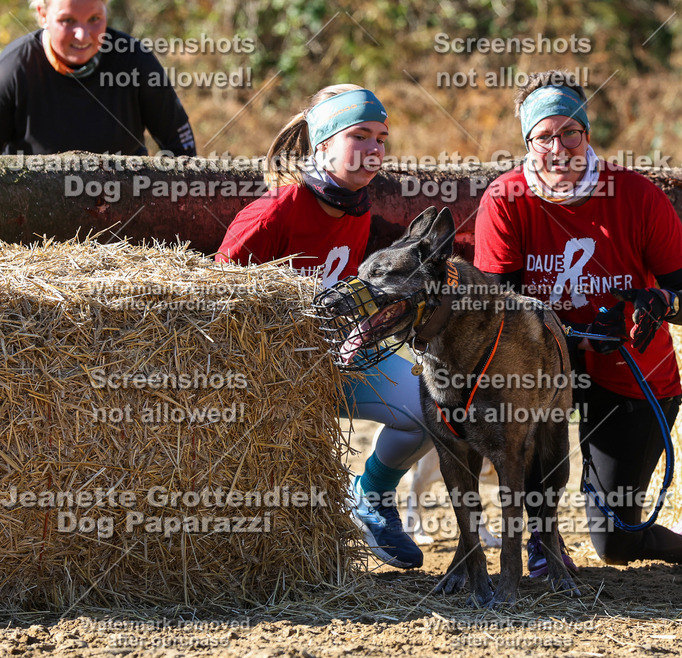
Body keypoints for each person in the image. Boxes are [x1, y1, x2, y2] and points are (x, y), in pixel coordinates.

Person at [474, 70, 682, 573]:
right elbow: (491, 306)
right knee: (527, 412)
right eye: (544, 136)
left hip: (632, 372)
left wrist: (660, 303)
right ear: (528, 142)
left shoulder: (636, 195)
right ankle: (543, 540)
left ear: (587, 135)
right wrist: (557, 334)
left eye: (571, 132)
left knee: (614, 544)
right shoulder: (506, 199)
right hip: (546, 365)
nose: (559, 147)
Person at [215, 84, 430, 569]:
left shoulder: (357, 205)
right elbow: (214, 303)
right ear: (324, 143)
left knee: (429, 407)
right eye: (360, 136)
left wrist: (364, 324)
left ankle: (370, 494)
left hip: (329, 359)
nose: (374, 150)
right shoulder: (274, 210)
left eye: (382, 137)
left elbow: (338, 292)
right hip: (266, 373)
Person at [0, 0, 194, 155]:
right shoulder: (12, 70)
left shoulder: (135, 61)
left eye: (94, 19)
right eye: (67, 20)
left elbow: (180, 146)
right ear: (43, 14)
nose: (82, 35)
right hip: (33, 201)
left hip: (125, 198)